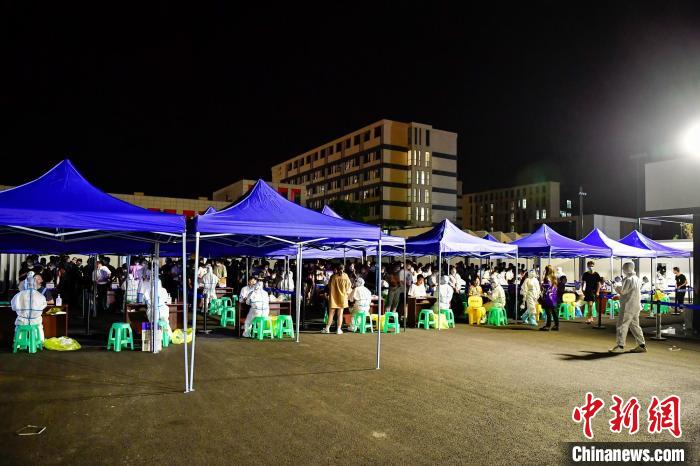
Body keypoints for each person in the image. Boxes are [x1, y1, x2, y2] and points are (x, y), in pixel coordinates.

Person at [609, 262, 647, 353]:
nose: (623, 270)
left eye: (624, 268)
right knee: (635, 325)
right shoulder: (637, 278)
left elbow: (623, 291)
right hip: (636, 305)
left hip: (628, 306)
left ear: (627, 268)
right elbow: (631, 292)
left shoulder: (628, 279)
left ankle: (620, 345)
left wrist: (614, 285)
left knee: (622, 325)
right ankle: (641, 345)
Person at [12, 271, 47, 342]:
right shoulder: (40, 296)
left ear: (24, 284)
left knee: (19, 327)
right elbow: (44, 305)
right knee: (39, 327)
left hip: (21, 321)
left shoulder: (18, 295)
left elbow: (13, 307)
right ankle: (39, 342)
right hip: (36, 321)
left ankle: (18, 343)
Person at [323, 264, 352, 334]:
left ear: (336, 269)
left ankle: (327, 328)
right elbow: (349, 287)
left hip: (333, 297)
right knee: (340, 314)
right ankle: (338, 329)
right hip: (342, 297)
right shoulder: (346, 276)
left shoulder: (333, 277)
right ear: (343, 269)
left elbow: (329, 286)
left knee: (331, 314)